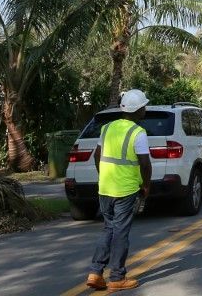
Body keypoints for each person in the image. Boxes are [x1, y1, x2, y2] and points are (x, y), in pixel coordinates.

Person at [86, 89, 152, 292]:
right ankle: (116, 277)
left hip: (105, 188)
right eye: (144, 106)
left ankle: (96, 273)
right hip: (126, 189)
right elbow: (145, 163)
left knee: (109, 228)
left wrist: (103, 175)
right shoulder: (138, 132)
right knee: (120, 232)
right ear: (138, 109)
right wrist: (146, 185)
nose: (145, 108)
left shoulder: (107, 128)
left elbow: (97, 155)